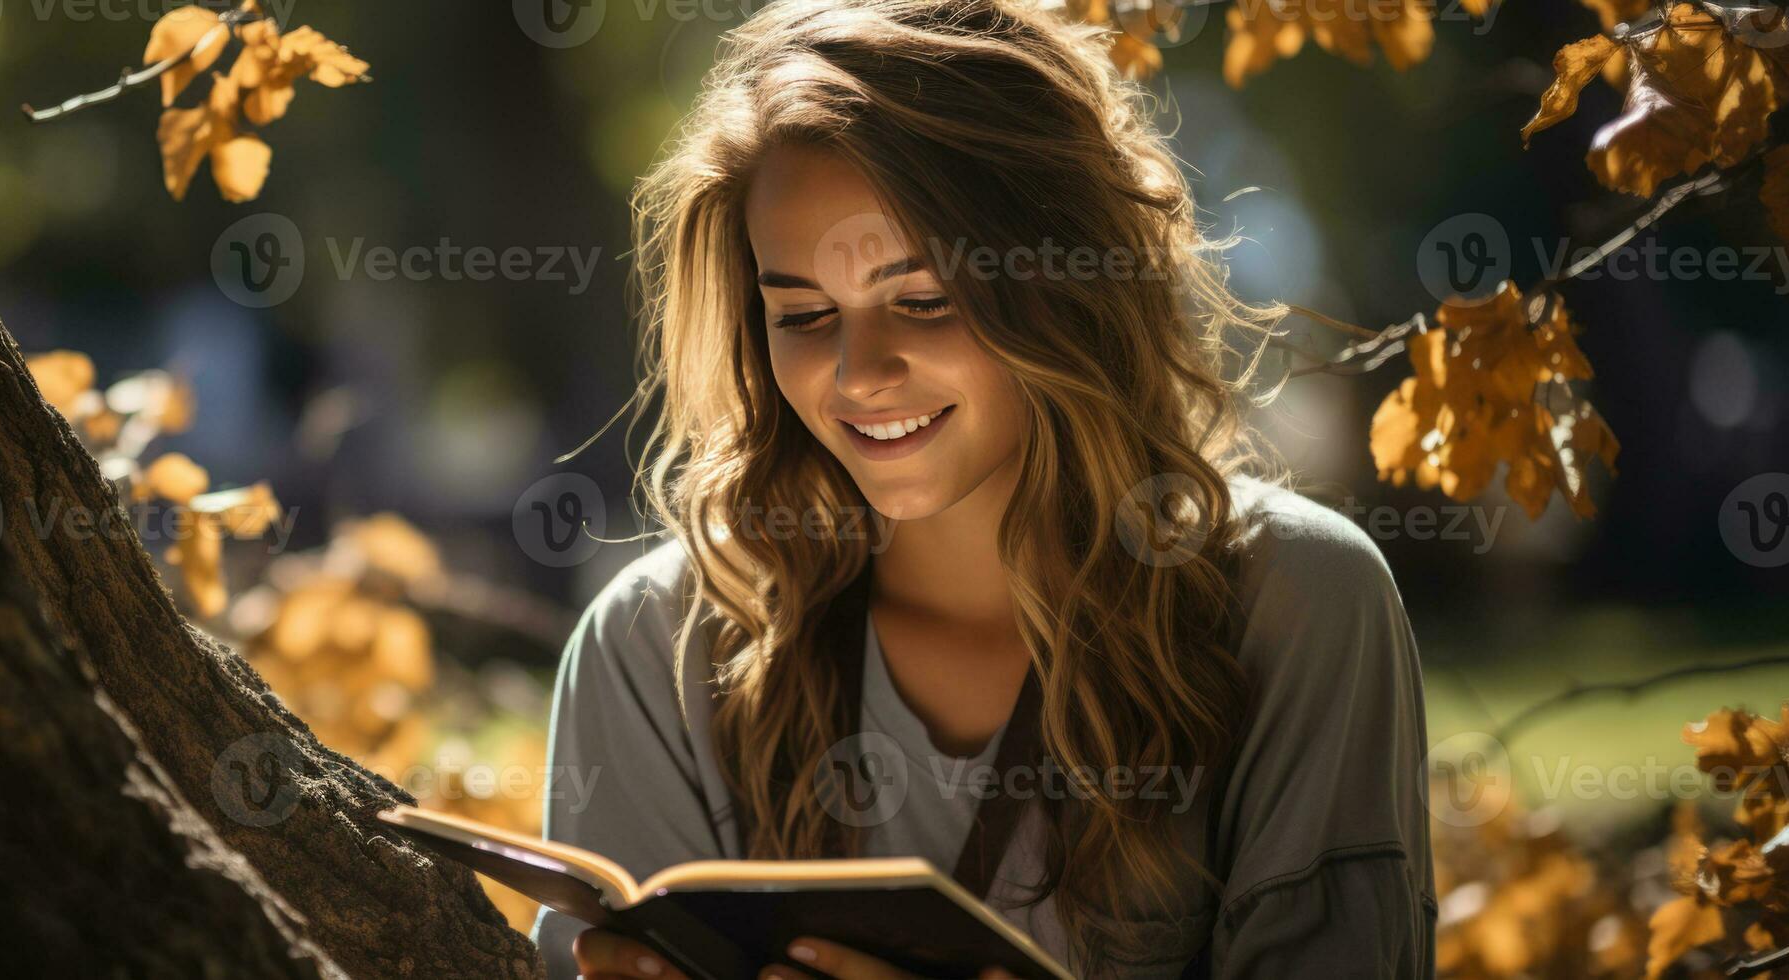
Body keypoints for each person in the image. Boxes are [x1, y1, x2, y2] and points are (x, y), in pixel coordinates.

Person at [532, 1, 1434, 976]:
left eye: (921, 300)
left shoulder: (1296, 605)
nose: (858, 374)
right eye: (801, 315)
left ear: (1070, 283)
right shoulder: (653, 647)